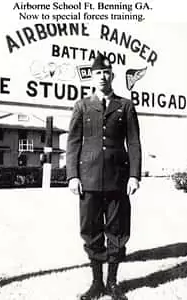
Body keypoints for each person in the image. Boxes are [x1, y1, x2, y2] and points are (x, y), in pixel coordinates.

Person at [66, 52, 142, 300]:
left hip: (118, 179)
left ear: (113, 75)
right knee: (91, 230)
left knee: (117, 230)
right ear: (92, 75)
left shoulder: (125, 105)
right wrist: (72, 176)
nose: (102, 77)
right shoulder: (82, 105)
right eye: (98, 73)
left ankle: (112, 283)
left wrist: (134, 176)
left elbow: (134, 142)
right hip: (87, 179)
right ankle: (96, 283)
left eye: (106, 73)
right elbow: (73, 143)